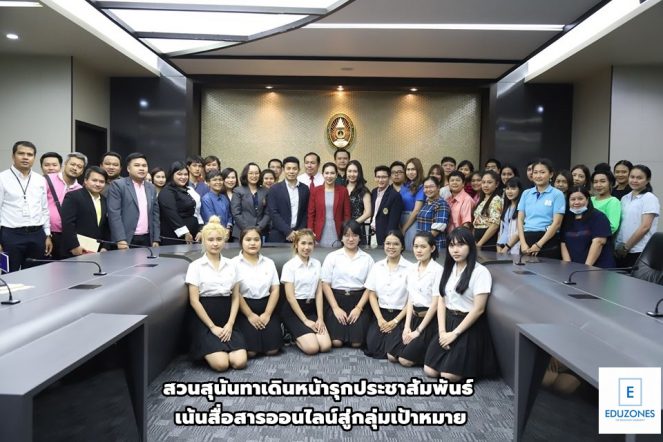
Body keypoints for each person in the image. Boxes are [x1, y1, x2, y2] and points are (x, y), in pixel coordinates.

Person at [423, 228, 497, 381]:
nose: (455, 250)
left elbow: (479, 309)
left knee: (448, 376)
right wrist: (442, 331)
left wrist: (455, 333)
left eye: (461, 245)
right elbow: (442, 301)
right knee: (430, 371)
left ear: (470, 246)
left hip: (468, 325)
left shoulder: (480, 272)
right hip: (448, 321)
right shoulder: (447, 270)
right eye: (451, 245)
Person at [184, 217, 247, 372]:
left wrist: (230, 324)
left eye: (219, 239)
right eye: (210, 240)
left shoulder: (232, 264)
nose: (215, 243)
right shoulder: (195, 266)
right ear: (203, 241)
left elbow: (235, 297)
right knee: (221, 364)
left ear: (224, 241)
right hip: (204, 318)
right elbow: (194, 301)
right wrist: (212, 327)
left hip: (227, 316)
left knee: (239, 362)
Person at [387, 231, 442, 367]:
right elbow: (410, 298)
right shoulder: (411, 269)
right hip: (413, 318)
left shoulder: (437, 270)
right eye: (416, 246)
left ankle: (428, 352)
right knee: (391, 356)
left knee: (404, 360)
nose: (418, 250)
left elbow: (435, 304)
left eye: (423, 247)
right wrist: (407, 327)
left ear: (432, 248)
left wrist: (418, 331)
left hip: (429, 320)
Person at [321, 220, 374, 348]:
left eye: (354, 235)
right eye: (347, 235)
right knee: (336, 342)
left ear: (360, 237)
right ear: (341, 237)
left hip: (359, 300)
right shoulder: (332, 257)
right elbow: (325, 284)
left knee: (356, 343)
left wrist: (359, 308)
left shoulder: (367, 259)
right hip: (336, 300)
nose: (351, 239)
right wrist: (335, 308)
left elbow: (370, 287)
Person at [0, 141, 52, 271]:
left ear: (34, 158)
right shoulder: (2, 178)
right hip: (11, 235)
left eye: (30, 154)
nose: (25, 157)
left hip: (37, 235)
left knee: (36, 274)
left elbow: (44, 209)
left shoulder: (40, 179)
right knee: (9, 275)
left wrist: (47, 235)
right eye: (21, 153)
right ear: (13, 156)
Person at [280, 229, 332, 355]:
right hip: (293, 311)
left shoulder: (317, 264)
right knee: (312, 348)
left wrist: (320, 318)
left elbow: (318, 293)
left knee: (325, 346)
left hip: (310, 309)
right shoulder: (289, 266)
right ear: (296, 244)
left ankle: (304, 334)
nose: (306, 247)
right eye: (303, 243)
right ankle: (291, 333)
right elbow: (290, 297)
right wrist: (305, 321)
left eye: (310, 244)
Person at [233, 227, 282, 357]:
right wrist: (249, 315)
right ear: (241, 242)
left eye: (256, 239)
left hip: (267, 306)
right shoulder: (233, 264)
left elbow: (275, 289)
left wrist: (267, 314)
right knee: (251, 352)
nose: (252, 243)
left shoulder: (269, 263)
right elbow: (235, 293)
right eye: (248, 240)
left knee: (272, 351)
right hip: (244, 308)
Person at [364, 230, 412, 359]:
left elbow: (411, 300)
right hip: (381, 314)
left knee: (392, 352)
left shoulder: (411, 268)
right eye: (388, 243)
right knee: (373, 347)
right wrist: (379, 319)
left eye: (396, 244)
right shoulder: (377, 266)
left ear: (402, 246)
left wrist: (396, 321)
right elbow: (372, 294)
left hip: (401, 315)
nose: (391, 247)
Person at [107, 152, 160, 249]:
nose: (141, 168)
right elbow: (114, 214)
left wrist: (156, 238)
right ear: (128, 168)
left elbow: (155, 215)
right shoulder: (118, 185)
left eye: (144, 165)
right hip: (126, 239)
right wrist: (120, 239)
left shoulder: (151, 187)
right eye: (137, 165)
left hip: (147, 239)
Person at [517, 159, 565, 259]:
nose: (538, 176)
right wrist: (523, 243)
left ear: (551, 174)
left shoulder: (557, 194)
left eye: (542, 172)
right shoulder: (526, 193)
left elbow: (557, 223)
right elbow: (520, 219)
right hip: (527, 240)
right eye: (535, 172)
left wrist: (539, 245)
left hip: (547, 241)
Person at [615, 165, 660, 267]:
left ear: (647, 180)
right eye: (632, 177)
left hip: (639, 250)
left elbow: (645, 227)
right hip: (621, 249)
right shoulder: (625, 198)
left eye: (639, 178)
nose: (634, 180)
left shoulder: (649, 198)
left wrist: (626, 247)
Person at [561, 186, 615, 268]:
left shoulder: (598, 217)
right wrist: (568, 267)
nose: (576, 202)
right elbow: (563, 243)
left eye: (580, 199)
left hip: (597, 268)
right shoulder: (566, 219)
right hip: (574, 269)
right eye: (572, 199)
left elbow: (599, 242)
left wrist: (586, 268)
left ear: (587, 200)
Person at [61, 166, 110, 256]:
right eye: (94, 180)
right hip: (76, 249)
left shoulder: (104, 200)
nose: (98, 184)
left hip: (97, 250)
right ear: (86, 180)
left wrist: (105, 246)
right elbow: (67, 223)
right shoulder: (73, 196)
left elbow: (106, 226)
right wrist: (74, 246)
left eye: (101, 182)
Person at [45, 152, 86, 258]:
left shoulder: (80, 189)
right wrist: (45, 234)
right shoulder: (47, 180)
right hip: (47, 234)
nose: (75, 168)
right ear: (65, 164)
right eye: (72, 164)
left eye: (79, 167)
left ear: (82, 171)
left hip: (67, 237)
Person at [307, 162, 351, 247]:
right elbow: (311, 214)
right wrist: (310, 231)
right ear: (323, 174)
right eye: (326, 173)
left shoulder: (343, 191)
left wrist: (346, 232)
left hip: (338, 231)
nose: (329, 176)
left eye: (332, 173)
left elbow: (347, 214)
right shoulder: (315, 191)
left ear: (336, 175)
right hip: (319, 231)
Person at [266, 156, 309, 243]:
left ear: (299, 170)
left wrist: (298, 232)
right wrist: (288, 231)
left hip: (298, 236)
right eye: (288, 168)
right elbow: (273, 213)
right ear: (283, 170)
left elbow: (305, 212)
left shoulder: (305, 189)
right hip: (278, 235)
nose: (291, 171)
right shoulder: (274, 189)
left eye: (294, 169)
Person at [158, 161, 199, 245]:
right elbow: (172, 214)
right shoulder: (167, 191)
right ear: (172, 175)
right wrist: (185, 232)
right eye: (179, 174)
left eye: (185, 174)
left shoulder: (185, 189)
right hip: (175, 237)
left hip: (190, 235)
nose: (183, 177)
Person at [230, 162, 270, 241]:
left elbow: (268, 213)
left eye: (256, 173)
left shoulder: (265, 191)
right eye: (251, 173)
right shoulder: (238, 191)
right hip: (241, 232)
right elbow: (236, 213)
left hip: (260, 232)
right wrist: (248, 229)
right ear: (246, 174)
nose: (254, 176)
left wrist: (259, 227)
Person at [370, 165, 404, 246]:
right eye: (378, 177)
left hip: (384, 236)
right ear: (375, 178)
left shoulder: (395, 196)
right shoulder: (374, 192)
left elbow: (393, 223)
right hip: (372, 233)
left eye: (384, 177)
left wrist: (388, 240)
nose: (380, 180)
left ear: (389, 178)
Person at [416, 176, 450, 252]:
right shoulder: (427, 202)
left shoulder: (441, 204)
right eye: (426, 187)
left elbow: (436, 230)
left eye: (431, 187)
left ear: (438, 187)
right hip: (423, 244)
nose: (428, 190)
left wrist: (422, 242)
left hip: (435, 245)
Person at [400, 157, 425, 251]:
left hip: (412, 220)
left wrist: (404, 229)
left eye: (413, 169)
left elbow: (416, 210)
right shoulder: (404, 185)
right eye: (408, 169)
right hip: (401, 218)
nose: (410, 172)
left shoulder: (421, 186)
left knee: (409, 248)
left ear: (418, 170)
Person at [473, 170, 503, 248]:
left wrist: (480, 243)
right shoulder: (482, 199)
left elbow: (495, 225)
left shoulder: (496, 199)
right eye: (483, 182)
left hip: (488, 240)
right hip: (478, 239)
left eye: (489, 182)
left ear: (496, 184)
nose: (485, 185)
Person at [345, 160, 371, 244]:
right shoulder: (341, 188)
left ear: (359, 173)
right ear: (346, 172)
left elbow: (368, 213)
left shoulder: (364, 190)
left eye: (355, 171)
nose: (352, 174)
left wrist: (353, 224)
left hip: (357, 228)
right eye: (349, 171)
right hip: (343, 228)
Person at [496, 177, 523, 255]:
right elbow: (502, 230)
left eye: (513, 189)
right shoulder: (506, 207)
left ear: (520, 190)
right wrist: (498, 246)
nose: (509, 191)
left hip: (514, 248)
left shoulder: (521, 208)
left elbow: (519, 231)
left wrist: (506, 248)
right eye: (507, 188)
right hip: (501, 247)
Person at [590, 170, 621, 235]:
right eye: (595, 182)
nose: (598, 185)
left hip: (600, 238)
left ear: (610, 183)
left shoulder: (613, 201)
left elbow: (612, 227)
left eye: (603, 181)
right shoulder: (590, 200)